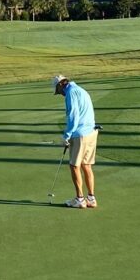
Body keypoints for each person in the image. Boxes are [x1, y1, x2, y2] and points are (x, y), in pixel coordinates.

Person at [52, 74, 98, 208]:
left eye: (58, 90)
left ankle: (80, 199)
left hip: (80, 134)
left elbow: (73, 117)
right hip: (91, 132)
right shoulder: (81, 90)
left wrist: (66, 136)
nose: (59, 94)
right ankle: (91, 198)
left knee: (74, 166)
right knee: (86, 165)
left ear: (61, 85)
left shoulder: (71, 93)